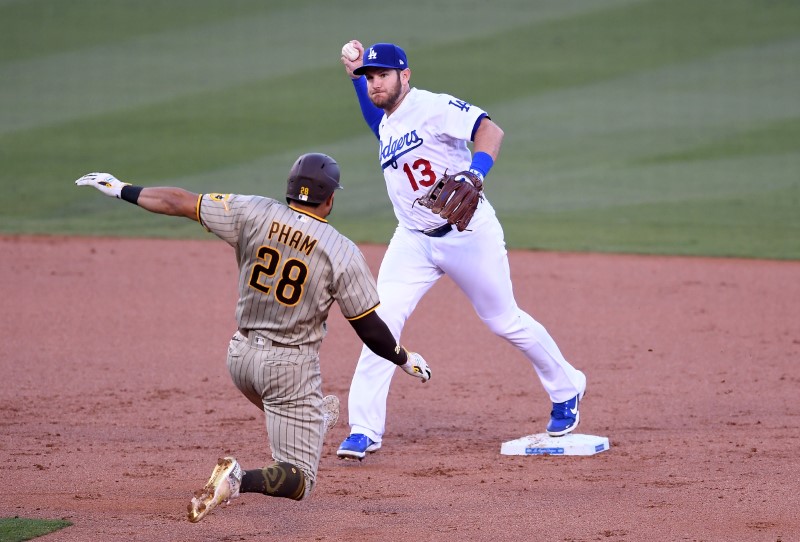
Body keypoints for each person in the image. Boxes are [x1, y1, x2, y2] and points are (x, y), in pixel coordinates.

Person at [74, 153, 432, 522]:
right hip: (287, 372)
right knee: (300, 480)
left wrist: (121, 189)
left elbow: (178, 202)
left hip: (240, 359)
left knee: (300, 412)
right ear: (330, 199)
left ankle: (312, 419)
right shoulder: (341, 250)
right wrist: (404, 358)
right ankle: (237, 479)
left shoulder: (252, 211)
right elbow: (369, 328)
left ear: (290, 190)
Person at [335, 41, 586, 460]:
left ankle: (567, 386)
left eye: (383, 75)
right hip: (413, 239)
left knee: (504, 320)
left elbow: (490, 131)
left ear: (406, 75)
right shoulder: (386, 119)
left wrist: (475, 171)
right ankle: (364, 428)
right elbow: (374, 117)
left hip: (467, 232)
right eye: (370, 78)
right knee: (380, 322)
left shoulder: (433, 107)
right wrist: (355, 74)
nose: (376, 84)